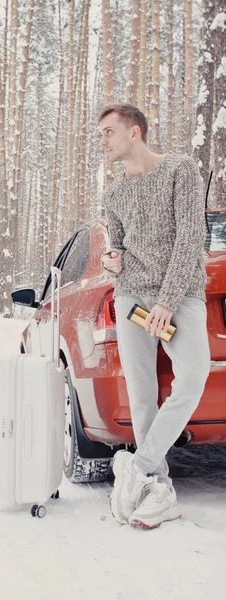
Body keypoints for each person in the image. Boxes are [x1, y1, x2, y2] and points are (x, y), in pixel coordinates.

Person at [98, 103, 211, 529]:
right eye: (101, 135)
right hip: (132, 300)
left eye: (109, 132)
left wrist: (166, 301)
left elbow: (190, 238)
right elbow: (121, 247)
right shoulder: (112, 194)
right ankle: (156, 490)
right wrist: (114, 260)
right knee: (142, 396)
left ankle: (138, 466)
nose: (104, 143)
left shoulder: (181, 170)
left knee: (194, 376)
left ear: (135, 132)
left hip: (178, 297)